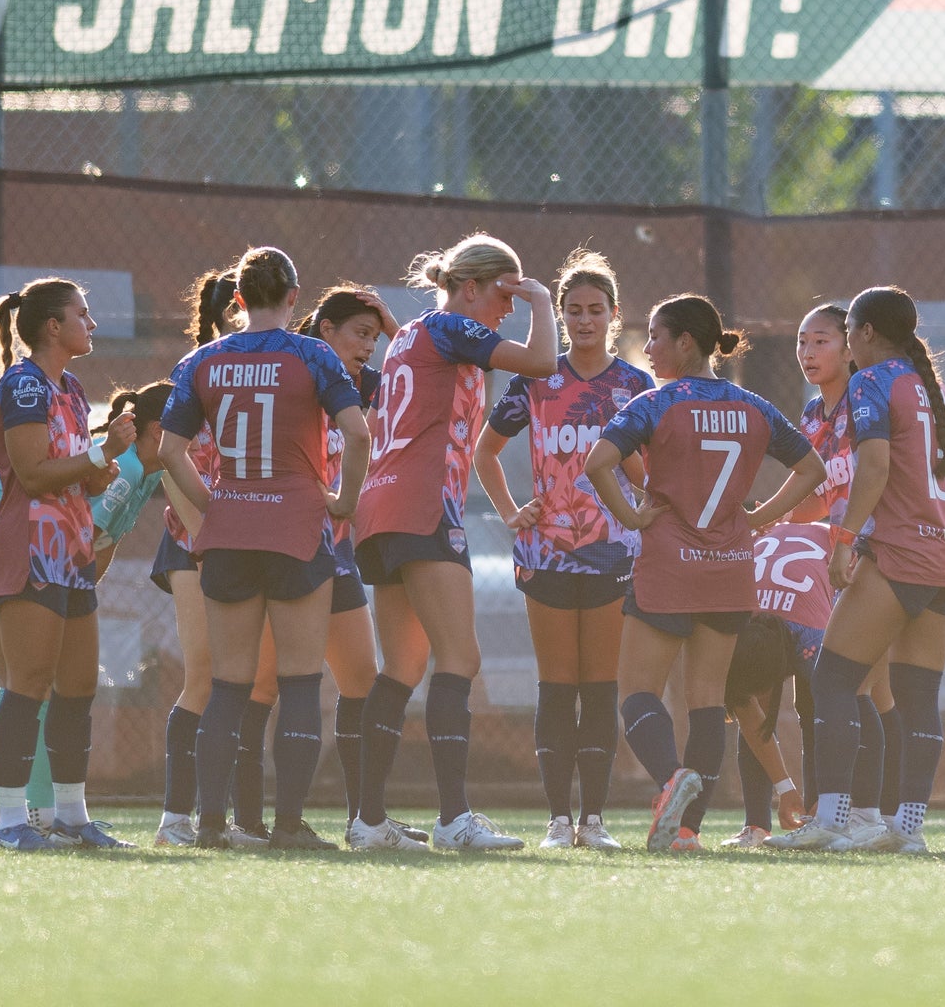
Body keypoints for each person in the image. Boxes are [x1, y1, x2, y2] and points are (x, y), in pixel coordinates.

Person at [582, 294, 826, 852]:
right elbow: (811, 467)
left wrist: (633, 515)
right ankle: (686, 833)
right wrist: (759, 518)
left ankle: (671, 780)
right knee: (707, 702)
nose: (648, 348)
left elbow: (598, 462)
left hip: (670, 565)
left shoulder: (657, 401)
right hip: (730, 568)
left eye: (656, 338)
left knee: (637, 693)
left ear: (684, 342)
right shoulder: (754, 406)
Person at [347, 234, 559, 852]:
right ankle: (454, 818)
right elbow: (543, 363)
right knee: (460, 660)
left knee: (403, 668)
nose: (508, 308)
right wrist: (544, 302)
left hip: (381, 510)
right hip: (422, 507)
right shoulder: (451, 327)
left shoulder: (414, 334)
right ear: (469, 287)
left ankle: (368, 820)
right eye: (504, 293)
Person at [159, 246, 370, 852]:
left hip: (230, 533)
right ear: (294, 297)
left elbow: (170, 452)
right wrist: (341, 499)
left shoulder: (203, 360)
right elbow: (357, 433)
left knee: (229, 686)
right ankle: (285, 827)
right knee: (301, 685)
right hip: (296, 529)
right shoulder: (312, 354)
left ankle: (208, 825)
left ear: (239, 299)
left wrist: (212, 507)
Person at [767, 285, 945, 854]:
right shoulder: (942, 395)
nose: (850, 342)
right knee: (917, 696)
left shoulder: (872, 382)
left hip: (897, 556)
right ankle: (907, 831)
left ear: (867, 334)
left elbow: (874, 467)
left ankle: (832, 820)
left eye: (848, 331)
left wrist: (844, 540)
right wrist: (935, 532)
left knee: (832, 679)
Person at [0, 380, 173, 833]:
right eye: (196, 430)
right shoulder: (131, 469)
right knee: (27, 680)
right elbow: (77, 539)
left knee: (53, 681)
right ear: (158, 431)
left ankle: (62, 816)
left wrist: (72, 608)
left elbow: (101, 542)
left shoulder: (150, 470)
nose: (205, 442)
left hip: (10, 548)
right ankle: (32, 817)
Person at [232, 286, 426, 844]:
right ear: (326, 331)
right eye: (359, 334)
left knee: (361, 681)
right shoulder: (293, 371)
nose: (367, 346)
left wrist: (392, 329)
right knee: (263, 685)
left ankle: (364, 819)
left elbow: (408, 387)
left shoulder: (359, 384)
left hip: (334, 552)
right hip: (282, 546)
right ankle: (248, 821)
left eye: (372, 336)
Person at [474, 248, 653, 850]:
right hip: (547, 550)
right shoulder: (536, 380)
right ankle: (557, 821)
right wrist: (508, 511)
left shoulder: (636, 385)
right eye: (573, 309)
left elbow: (652, 468)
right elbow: (485, 453)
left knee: (599, 685)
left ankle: (594, 821)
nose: (583, 320)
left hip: (613, 551)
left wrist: (642, 496)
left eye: (594, 310)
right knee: (557, 685)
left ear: (614, 315)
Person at [0, 277, 137, 851]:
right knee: (28, 683)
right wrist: (99, 454)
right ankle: (10, 822)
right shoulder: (24, 385)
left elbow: (77, 472)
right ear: (53, 326)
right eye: (82, 314)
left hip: (71, 552)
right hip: (30, 551)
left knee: (77, 688)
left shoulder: (70, 388)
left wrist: (102, 467)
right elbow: (32, 473)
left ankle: (71, 816)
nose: (91, 324)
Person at [149, 268, 266, 850]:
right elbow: (173, 464)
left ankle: (238, 820)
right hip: (196, 541)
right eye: (239, 310)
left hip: (250, 541)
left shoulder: (271, 368)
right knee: (204, 677)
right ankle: (176, 818)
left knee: (247, 682)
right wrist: (207, 535)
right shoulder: (197, 373)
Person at [789, 302, 900, 838]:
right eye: (803, 342)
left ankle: (870, 816)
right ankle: (855, 816)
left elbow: (877, 477)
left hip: (875, 555)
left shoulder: (867, 400)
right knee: (850, 689)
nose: (809, 352)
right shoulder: (813, 414)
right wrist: (772, 525)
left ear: (851, 344)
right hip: (835, 561)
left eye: (822, 341)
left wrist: (853, 541)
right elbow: (817, 493)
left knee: (863, 688)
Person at [719, 520, 833, 847]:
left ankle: (821, 815)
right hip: (783, 555)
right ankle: (755, 824)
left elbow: (841, 716)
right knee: (752, 708)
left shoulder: (813, 637)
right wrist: (785, 788)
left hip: (828, 560)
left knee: (818, 708)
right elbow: (748, 708)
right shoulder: (735, 619)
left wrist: (829, 799)